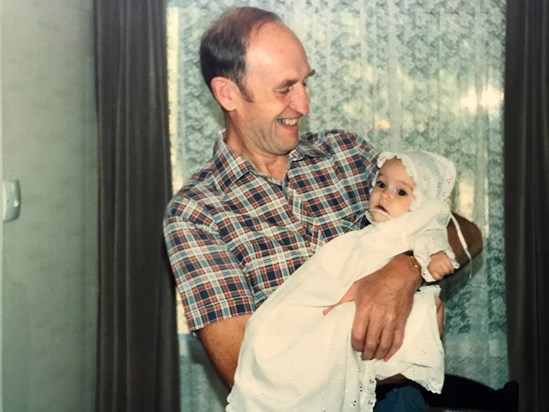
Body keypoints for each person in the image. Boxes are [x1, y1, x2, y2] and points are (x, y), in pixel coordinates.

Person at [163, 6, 482, 409]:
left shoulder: (346, 154)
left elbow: (466, 233)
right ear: (228, 93)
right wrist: (380, 345)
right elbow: (250, 375)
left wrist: (405, 268)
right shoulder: (196, 215)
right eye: (285, 88)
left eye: (304, 83)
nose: (304, 104)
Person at [226, 150, 465, 411]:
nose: (385, 195)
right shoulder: (360, 236)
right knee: (284, 320)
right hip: (346, 300)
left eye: (401, 192)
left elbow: (437, 241)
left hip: (379, 337)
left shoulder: (414, 230)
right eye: (382, 184)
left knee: (345, 329)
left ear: (422, 205)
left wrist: (431, 259)